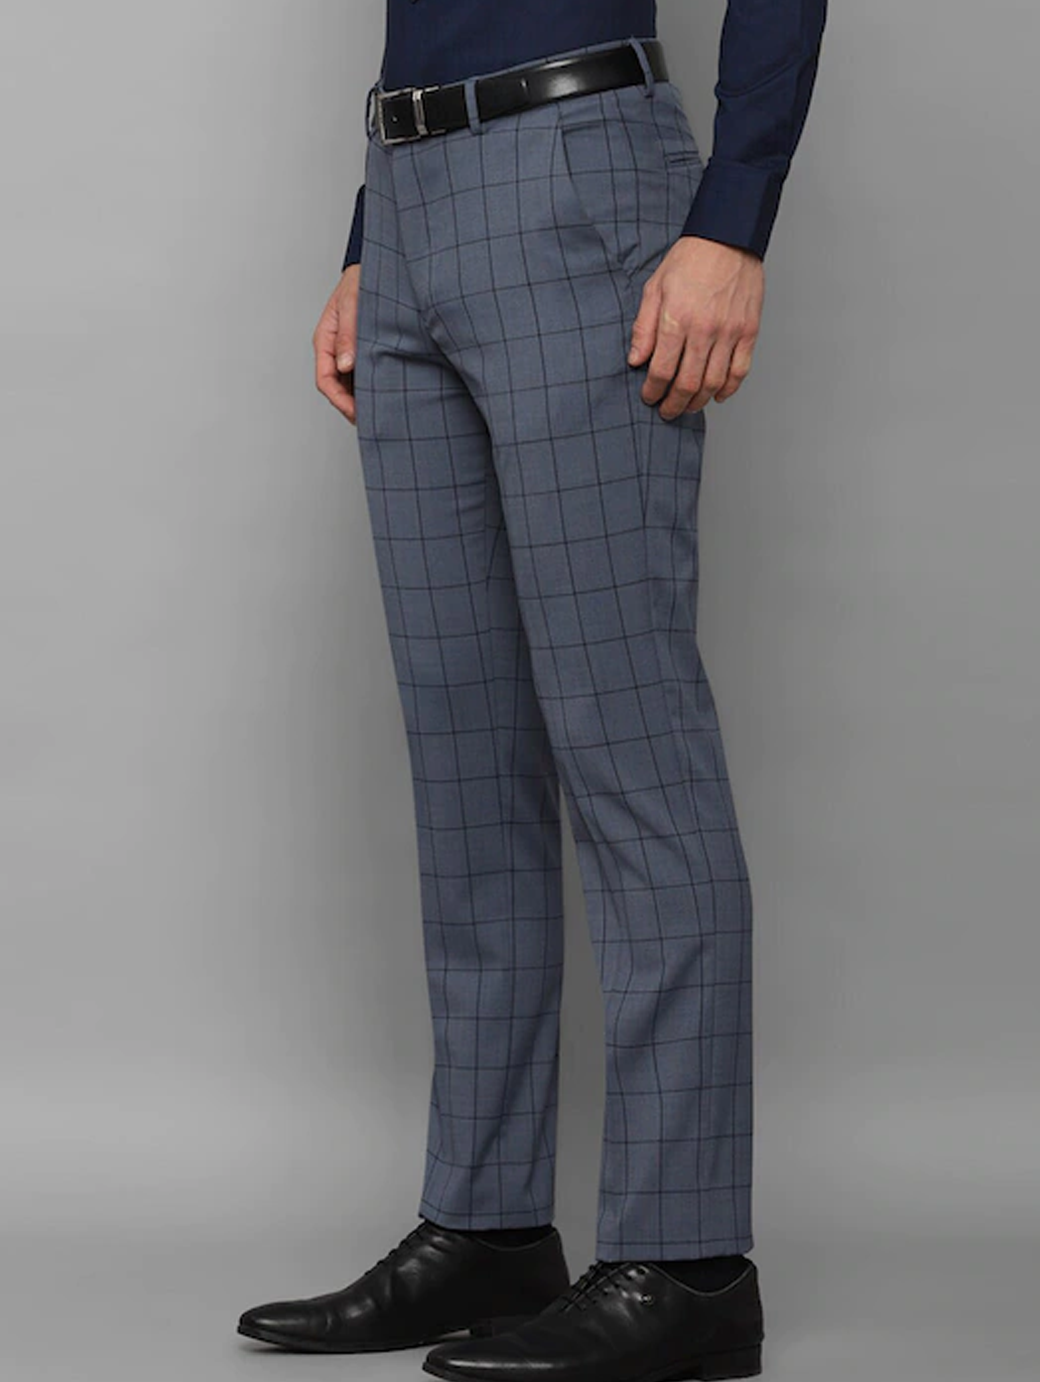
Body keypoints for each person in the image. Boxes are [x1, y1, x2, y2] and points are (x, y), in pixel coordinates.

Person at [239, 3, 826, 1378]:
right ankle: (489, 1225)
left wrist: (734, 217)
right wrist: (372, 238)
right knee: (467, 764)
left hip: (577, 168)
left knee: (632, 750)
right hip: (409, 196)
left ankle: (689, 1265)